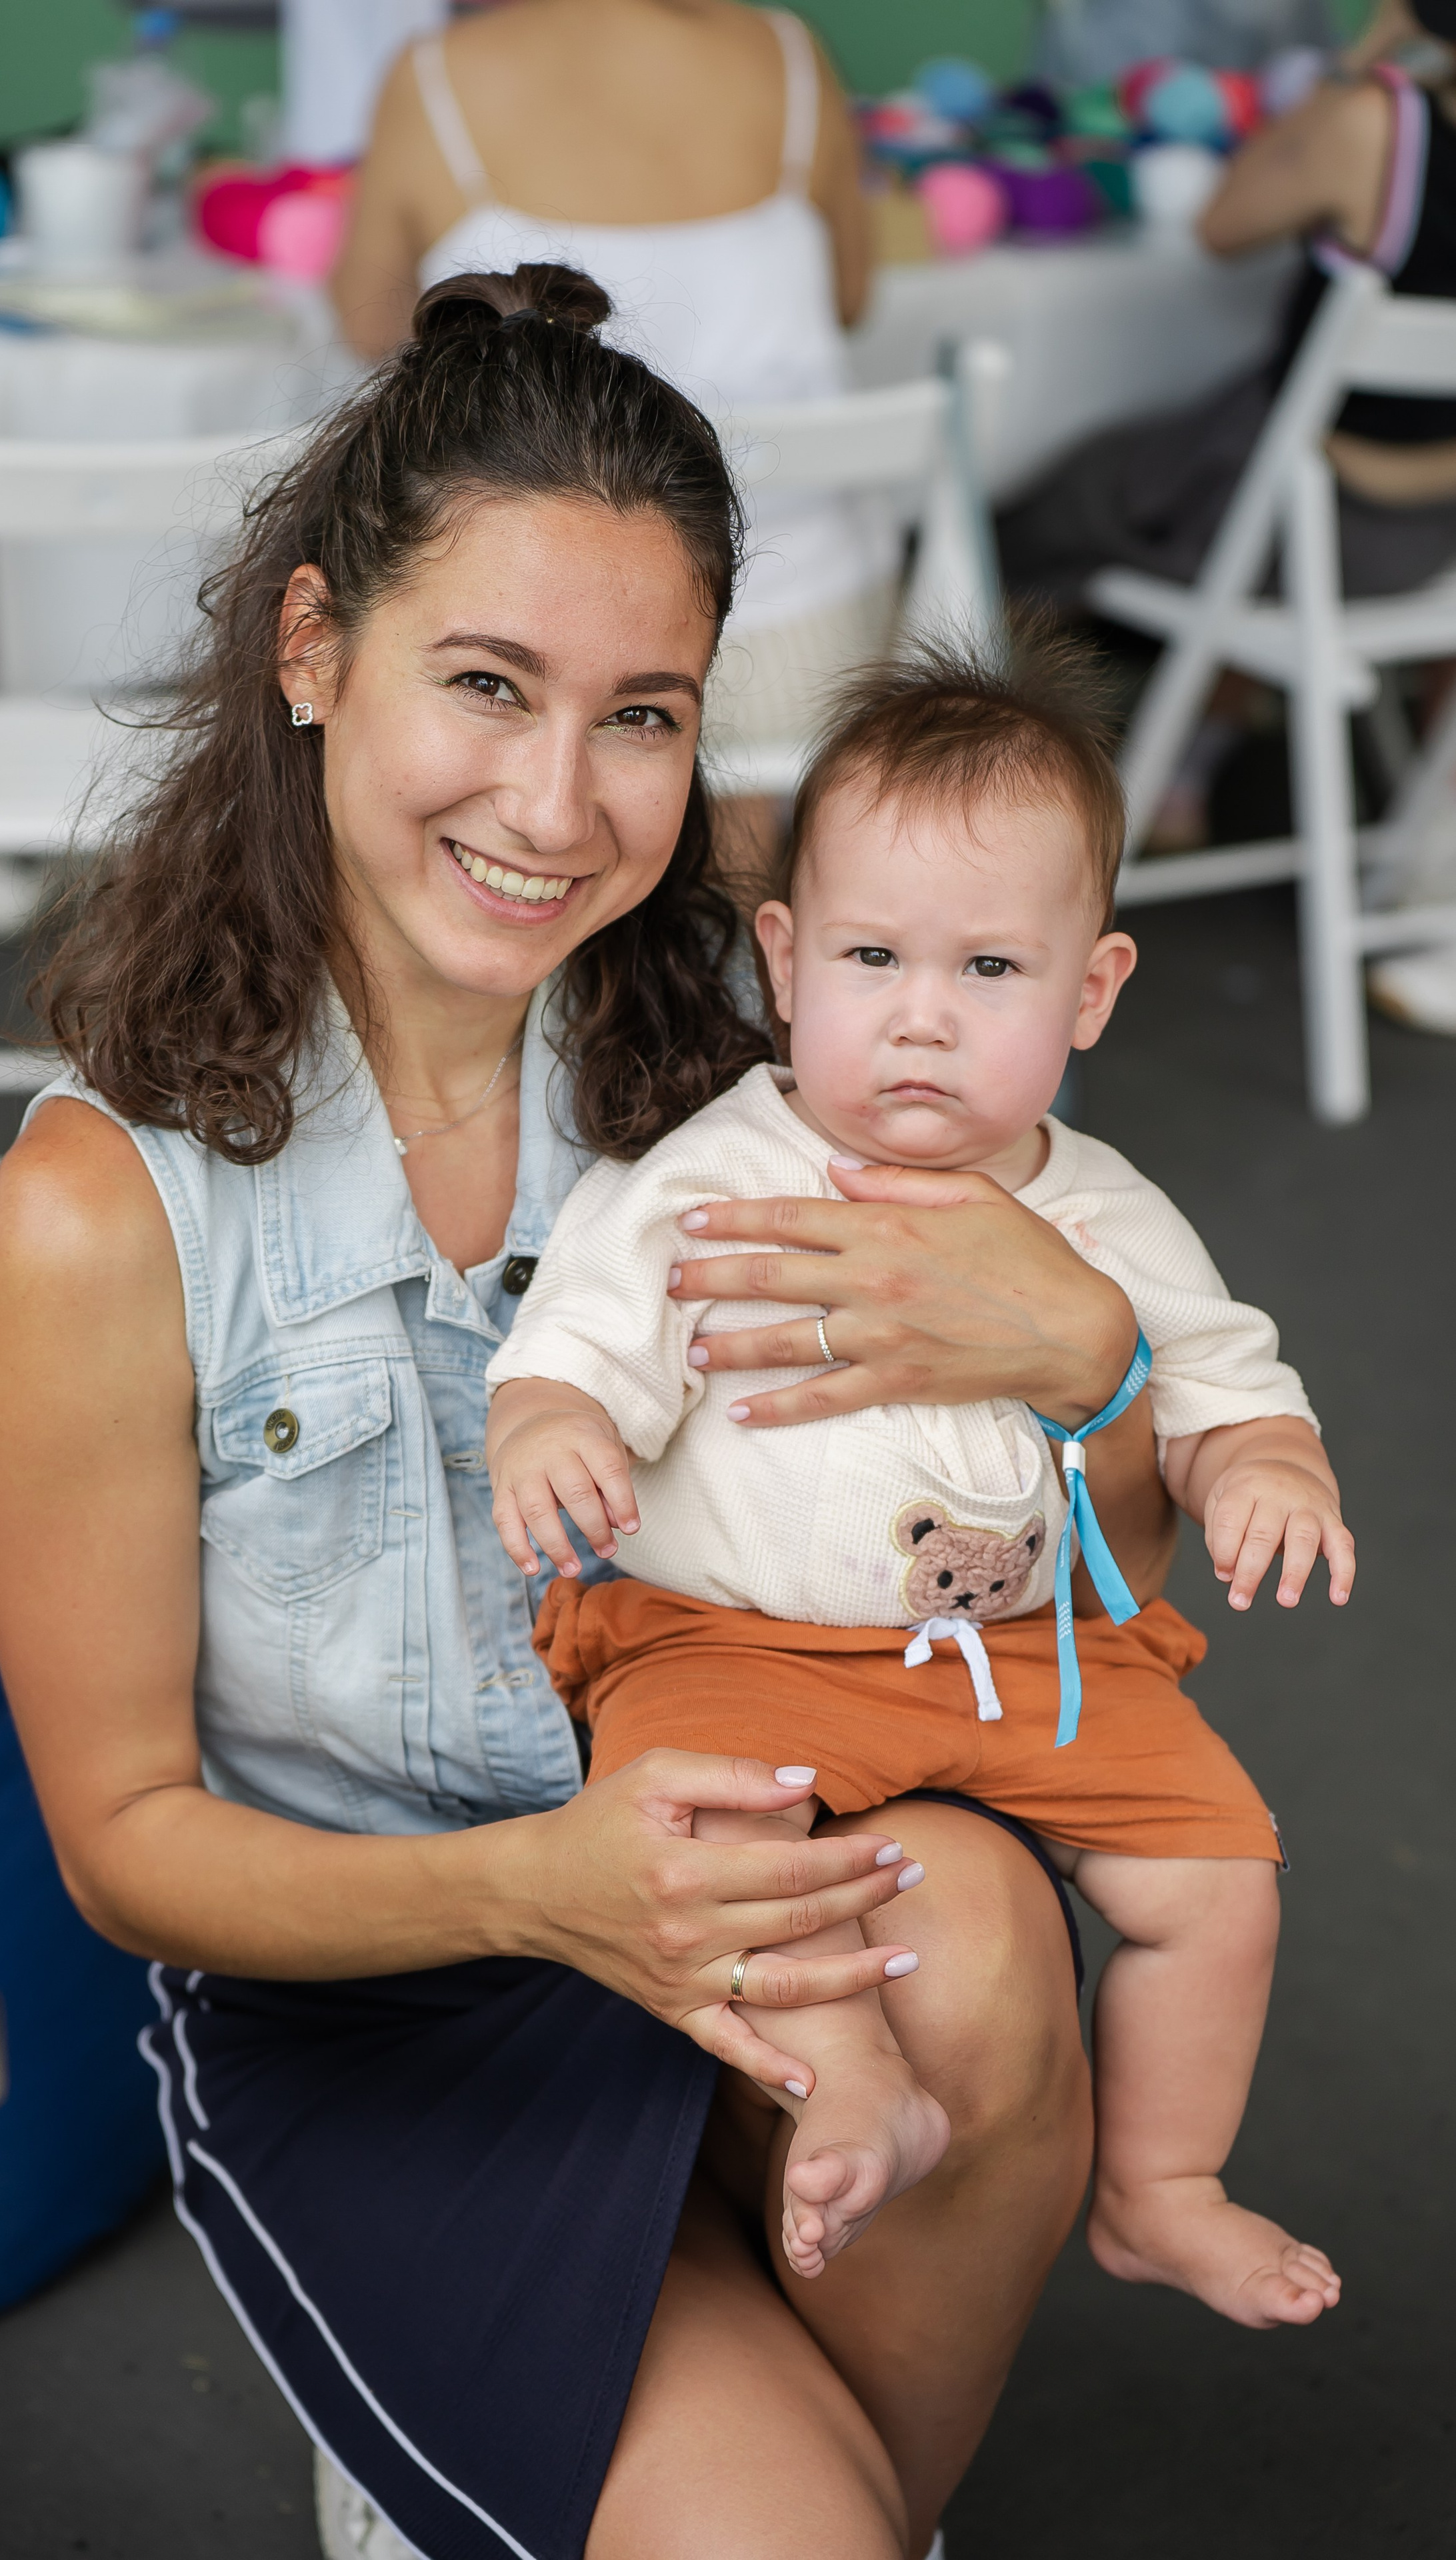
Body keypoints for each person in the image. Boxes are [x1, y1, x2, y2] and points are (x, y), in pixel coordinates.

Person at [0, 263, 1179, 2560]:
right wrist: (544, 1893)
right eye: (488, 686)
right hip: (395, 1985)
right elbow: (126, 1841)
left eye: (643, 716)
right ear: (315, 652)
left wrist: (1083, 1361)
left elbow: (1072, 1583)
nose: (557, 800)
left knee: (993, 1932)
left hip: (738, 1917)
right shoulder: (100, 1212)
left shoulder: (755, 1090)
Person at [487, 632, 1353, 2331]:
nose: (918, 1020)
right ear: (787, 957)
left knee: (1216, 1877)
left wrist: (1264, 1465)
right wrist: (552, 1424)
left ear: (1088, 992)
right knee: (713, 1827)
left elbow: (1221, 1385)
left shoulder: (1105, 1210)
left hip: (1030, 1656)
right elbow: (575, 1336)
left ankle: (1158, 2183)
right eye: (873, 956)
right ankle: (846, 2077)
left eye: (986, 971)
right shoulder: (721, 1171)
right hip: (737, 1640)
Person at [331, 0, 879, 881]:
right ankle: (716, 956)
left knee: (462, 665)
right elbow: (851, 296)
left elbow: (371, 319)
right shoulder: (789, 54)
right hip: (811, 628)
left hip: (526, 634)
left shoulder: (434, 79)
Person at [1000, 0, 1456, 853]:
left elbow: (1221, 227)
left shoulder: (1377, 125)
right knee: (1259, 501)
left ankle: (1019, 804)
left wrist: (1372, 53)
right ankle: (1189, 766)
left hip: (1314, 522)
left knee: (1027, 507)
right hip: (1431, 542)